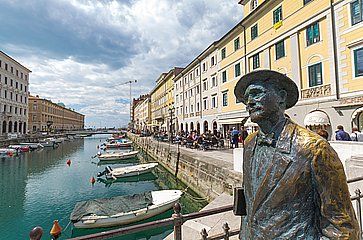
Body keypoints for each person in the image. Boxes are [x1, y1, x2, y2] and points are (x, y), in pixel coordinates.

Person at [233, 70, 359, 239]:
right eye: (246, 98)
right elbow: (249, 203)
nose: (249, 102)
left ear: (281, 98)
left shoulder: (313, 148)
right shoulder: (249, 143)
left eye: (256, 93)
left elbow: (342, 226)